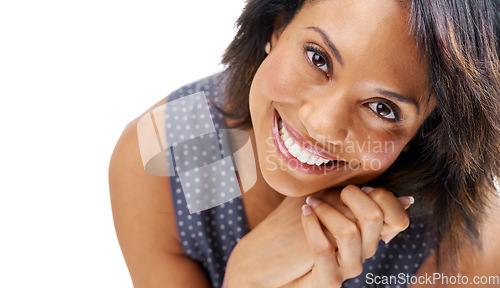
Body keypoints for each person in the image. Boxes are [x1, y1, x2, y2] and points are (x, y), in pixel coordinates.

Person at [108, 0, 500, 287]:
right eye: (317, 58)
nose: (321, 123)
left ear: (428, 133)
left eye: (382, 108)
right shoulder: (165, 158)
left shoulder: (464, 245)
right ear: (278, 28)